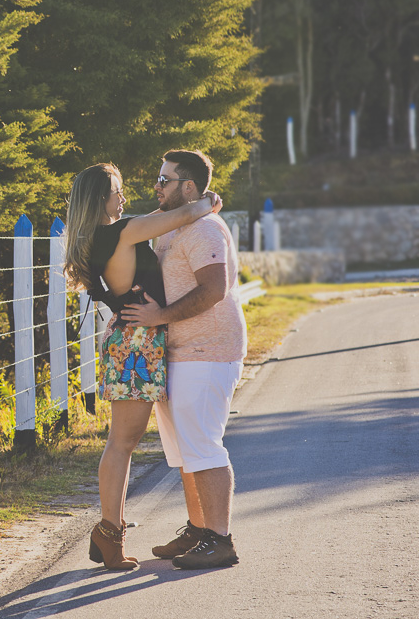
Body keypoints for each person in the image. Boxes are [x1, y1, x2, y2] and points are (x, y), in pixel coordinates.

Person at [64, 163, 221, 570]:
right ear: (101, 198)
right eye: (117, 190)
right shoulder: (122, 231)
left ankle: (109, 532)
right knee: (123, 441)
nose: (124, 196)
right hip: (137, 344)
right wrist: (207, 202)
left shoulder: (110, 233)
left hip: (133, 341)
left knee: (124, 441)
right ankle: (108, 534)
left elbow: (157, 219)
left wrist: (196, 206)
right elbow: (182, 215)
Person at [121, 149, 246, 569]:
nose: (155, 187)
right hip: (177, 352)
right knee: (183, 451)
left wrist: (160, 316)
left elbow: (214, 290)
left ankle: (220, 540)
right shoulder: (172, 227)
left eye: (164, 180)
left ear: (188, 186)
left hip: (208, 350)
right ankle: (198, 530)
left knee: (204, 447)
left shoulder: (205, 229)